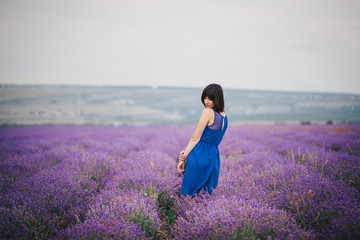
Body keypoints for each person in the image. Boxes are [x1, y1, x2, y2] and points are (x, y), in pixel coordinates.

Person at [177, 83, 228, 197]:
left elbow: (195, 138)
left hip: (199, 154)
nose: (207, 101)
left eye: (210, 99)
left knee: (189, 195)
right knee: (206, 196)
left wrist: (183, 158)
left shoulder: (207, 112)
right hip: (214, 158)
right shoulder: (224, 115)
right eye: (205, 98)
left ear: (217, 98)